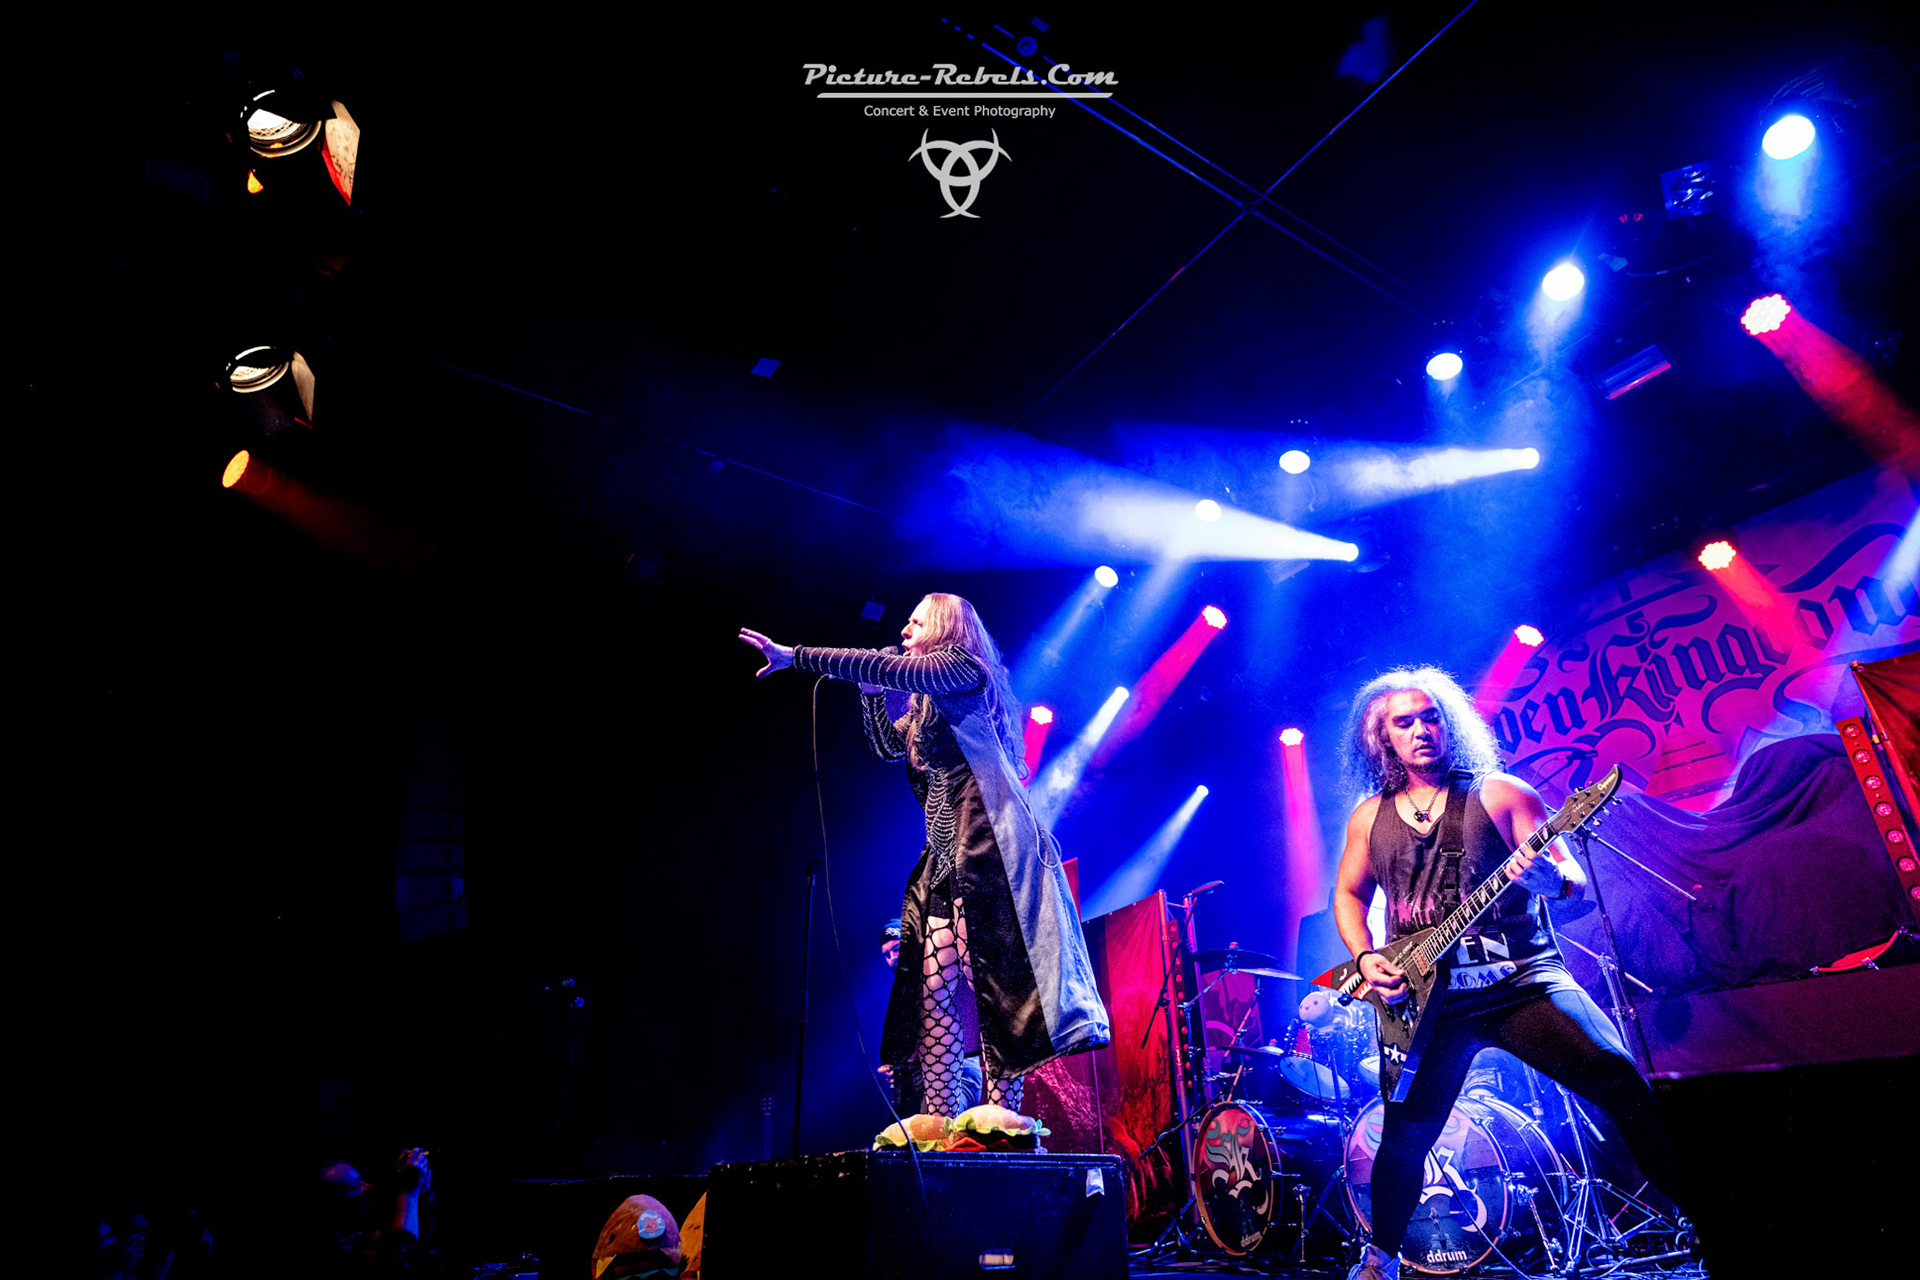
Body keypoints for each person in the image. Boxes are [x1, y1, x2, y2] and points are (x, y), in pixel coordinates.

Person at [1330, 667, 1683, 1280]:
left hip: (1520, 981)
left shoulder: (1501, 793)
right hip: (1424, 1002)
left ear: (1449, 723)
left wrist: (1549, 879)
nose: (1421, 730)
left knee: (1621, 1081)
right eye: (1404, 723)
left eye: (1431, 717)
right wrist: (1364, 956)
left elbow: (1571, 882)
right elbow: (1349, 896)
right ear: (1383, 739)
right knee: (1404, 1136)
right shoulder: (1368, 819)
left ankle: (1711, 1222)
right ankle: (1379, 1260)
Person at [740, 593, 1109, 1116]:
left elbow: (882, 665)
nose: (904, 630)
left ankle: (1001, 1117)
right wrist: (872, 696)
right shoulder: (924, 704)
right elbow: (889, 747)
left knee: (992, 978)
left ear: (943, 626)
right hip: (943, 851)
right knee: (934, 985)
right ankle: (940, 1115)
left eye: (916, 622)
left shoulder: (962, 668)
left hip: (987, 842)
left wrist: (794, 655)